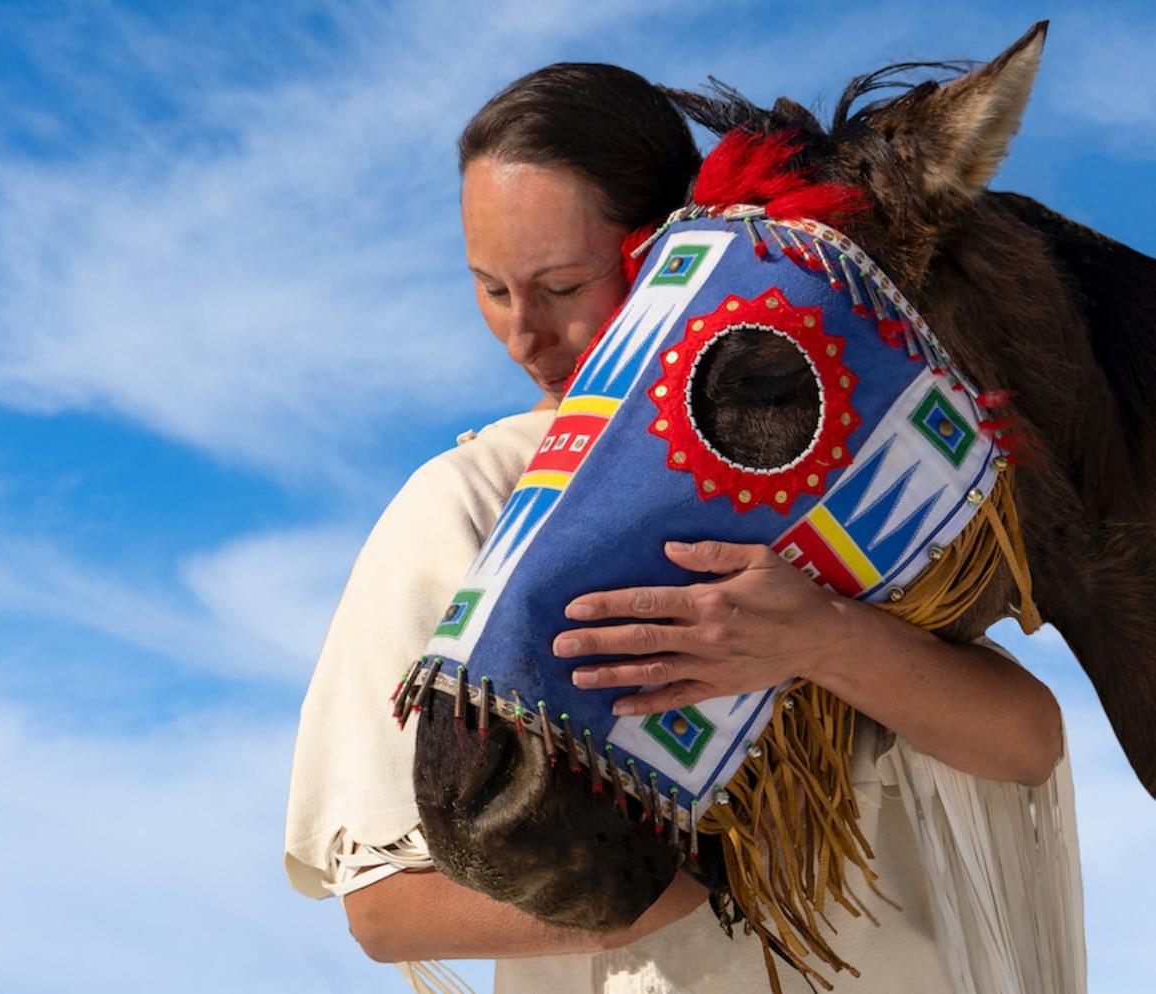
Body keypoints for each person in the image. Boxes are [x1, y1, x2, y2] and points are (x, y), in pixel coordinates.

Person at [284, 64, 1079, 994]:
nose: (522, 336)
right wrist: (724, 872)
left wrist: (826, 640)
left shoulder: (813, 465)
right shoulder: (471, 502)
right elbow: (387, 908)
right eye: (493, 290)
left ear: (670, 254)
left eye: (562, 284)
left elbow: (1027, 743)